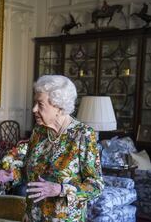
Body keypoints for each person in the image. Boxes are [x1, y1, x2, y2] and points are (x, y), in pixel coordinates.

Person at [22, 75, 104, 222]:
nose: (34, 109)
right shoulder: (38, 132)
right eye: (35, 103)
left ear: (59, 108)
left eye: (40, 104)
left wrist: (60, 189)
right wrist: (12, 175)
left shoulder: (83, 135)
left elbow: (96, 185)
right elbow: (27, 169)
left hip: (65, 218)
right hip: (33, 216)